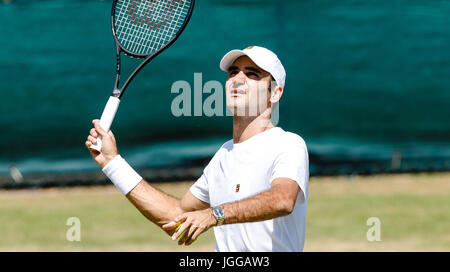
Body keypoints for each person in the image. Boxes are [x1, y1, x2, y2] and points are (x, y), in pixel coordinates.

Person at [85, 45, 309, 252]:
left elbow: (282, 200)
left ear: (275, 92)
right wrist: (112, 162)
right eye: (233, 72)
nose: (238, 79)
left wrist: (215, 215)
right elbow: (176, 216)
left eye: (252, 74)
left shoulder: (289, 144)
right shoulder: (224, 156)